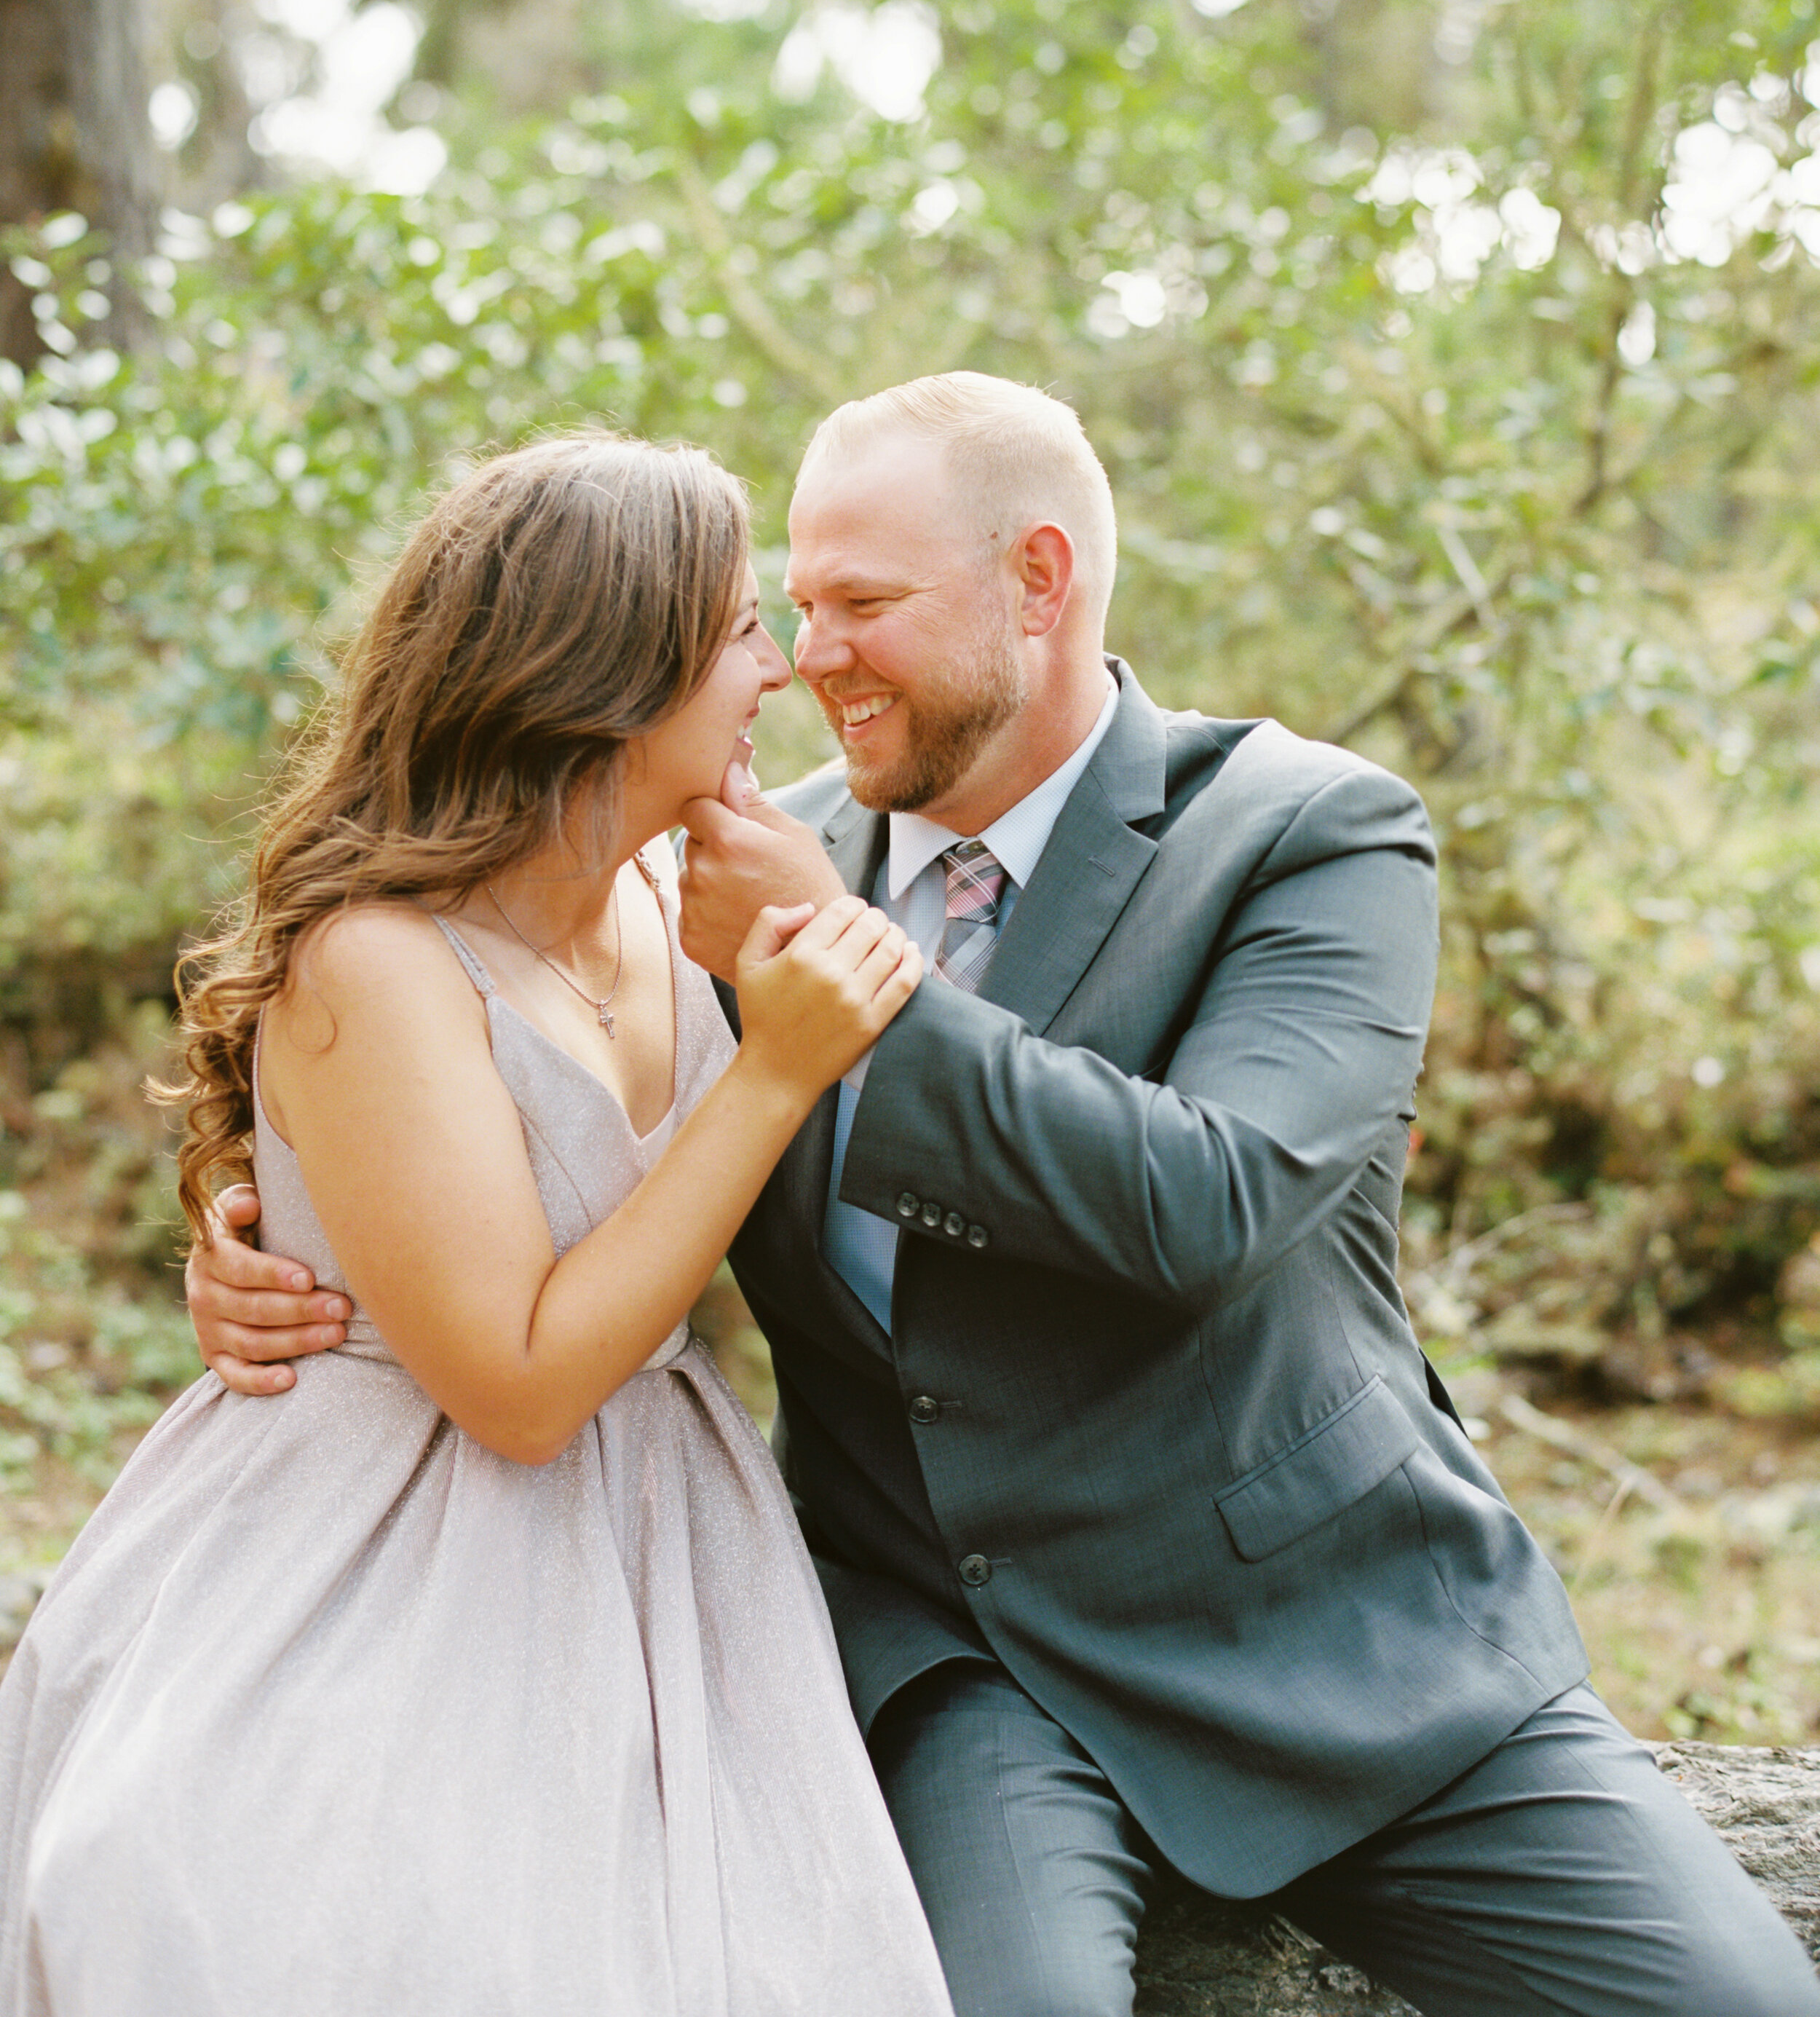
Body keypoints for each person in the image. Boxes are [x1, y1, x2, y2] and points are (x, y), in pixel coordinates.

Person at [189, 379, 1820, 2017]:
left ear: (1037, 581)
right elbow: (523, 1114)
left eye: (862, 606)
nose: (808, 655)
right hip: (964, 1665)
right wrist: (286, 1251)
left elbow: (1211, 1203)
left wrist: (855, 980)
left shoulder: (1303, 834)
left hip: (1338, 1642)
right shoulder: (723, 855)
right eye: (793, 605)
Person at [0, 433, 956, 2017]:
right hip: (382, 1547)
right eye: (736, 632)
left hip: (668, 1532)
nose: (777, 672)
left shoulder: (686, 888)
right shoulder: (377, 960)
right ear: (607, 668)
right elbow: (511, 1385)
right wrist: (774, 1069)